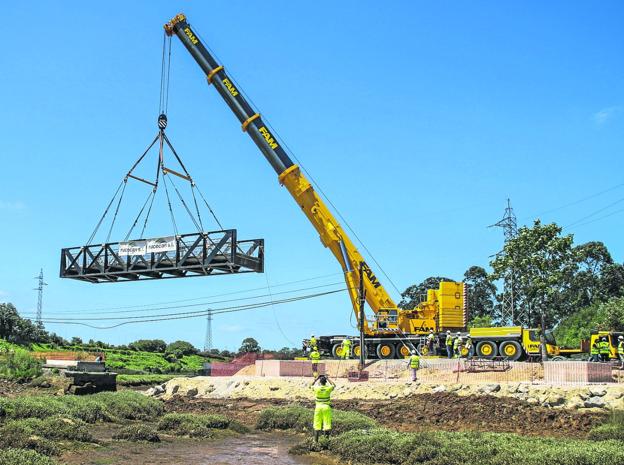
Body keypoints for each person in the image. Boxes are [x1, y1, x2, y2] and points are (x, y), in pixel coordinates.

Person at [311, 374, 335, 441]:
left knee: (316, 424)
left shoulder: (317, 388)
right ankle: (326, 441)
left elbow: (311, 385)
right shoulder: (328, 388)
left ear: (320, 382)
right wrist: (328, 378)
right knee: (327, 424)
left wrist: (316, 379)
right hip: (326, 407)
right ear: (325, 382)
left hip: (318, 408)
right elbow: (334, 385)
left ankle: (315, 441)